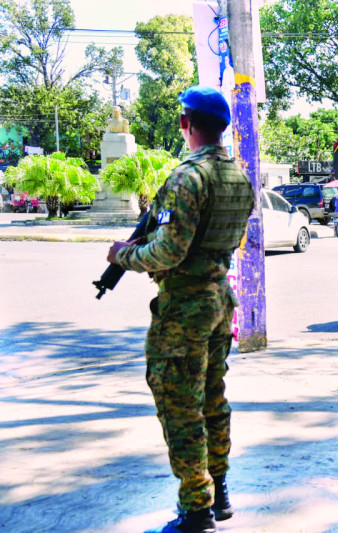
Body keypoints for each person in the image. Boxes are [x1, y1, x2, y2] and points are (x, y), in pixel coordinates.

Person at [107, 86, 254, 533]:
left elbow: (169, 251)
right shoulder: (239, 178)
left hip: (186, 307)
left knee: (179, 405)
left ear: (186, 123)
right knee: (212, 399)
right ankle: (220, 492)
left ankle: (196, 510)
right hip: (219, 300)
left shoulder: (188, 177)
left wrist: (123, 256)